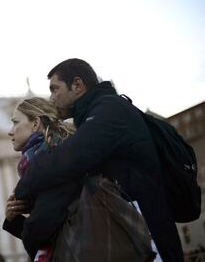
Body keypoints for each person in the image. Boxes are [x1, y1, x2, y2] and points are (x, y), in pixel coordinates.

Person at [14, 58, 183, 262]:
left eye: (54, 89)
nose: (51, 98)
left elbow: (70, 157)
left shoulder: (109, 110)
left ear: (77, 85)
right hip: (132, 231)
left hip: (144, 236)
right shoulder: (98, 113)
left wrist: (24, 185)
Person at [2, 97, 78, 261]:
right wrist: (13, 218)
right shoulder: (46, 157)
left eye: (15, 122)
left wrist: (14, 220)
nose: (10, 131)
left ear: (36, 123)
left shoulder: (48, 163)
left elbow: (42, 231)